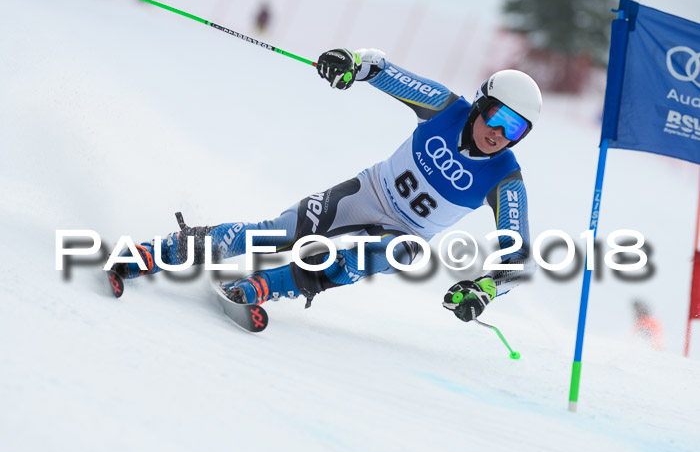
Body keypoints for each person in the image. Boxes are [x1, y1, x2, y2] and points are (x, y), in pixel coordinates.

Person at [114, 48, 541, 323]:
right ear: (479, 105)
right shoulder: (445, 107)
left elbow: (519, 258)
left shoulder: (505, 178)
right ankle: (155, 253)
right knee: (277, 232)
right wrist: (351, 64)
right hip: (367, 193)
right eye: (497, 116)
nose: (501, 132)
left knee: (358, 258)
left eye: (516, 128)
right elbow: (383, 70)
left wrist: (483, 289)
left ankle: (265, 286)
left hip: (406, 235)